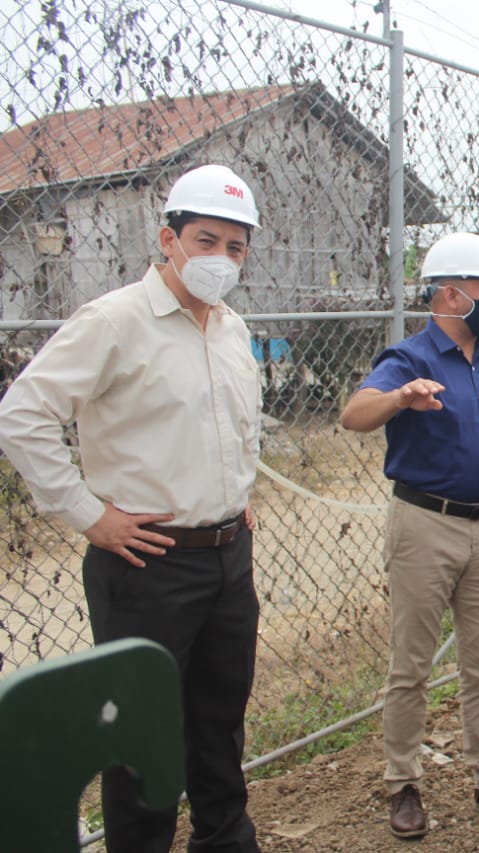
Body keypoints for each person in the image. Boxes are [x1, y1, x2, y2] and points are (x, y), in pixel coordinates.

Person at [0, 164, 264, 852]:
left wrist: (236, 494)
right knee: (142, 734)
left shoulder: (231, 328)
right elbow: (22, 414)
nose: (221, 258)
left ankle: (225, 840)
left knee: (219, 720)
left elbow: (237, 425)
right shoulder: (115, 321)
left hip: (228, 558)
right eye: (206, 240)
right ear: (168, 239)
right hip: (148, 563)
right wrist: (89, 514)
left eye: (235, 247)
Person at [339, 232, 479, 837]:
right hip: (426, 526)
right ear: (451, 294)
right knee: (412, 666)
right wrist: (401, 397)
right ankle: (403, 783)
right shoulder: (410, 360)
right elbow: (354, 415)